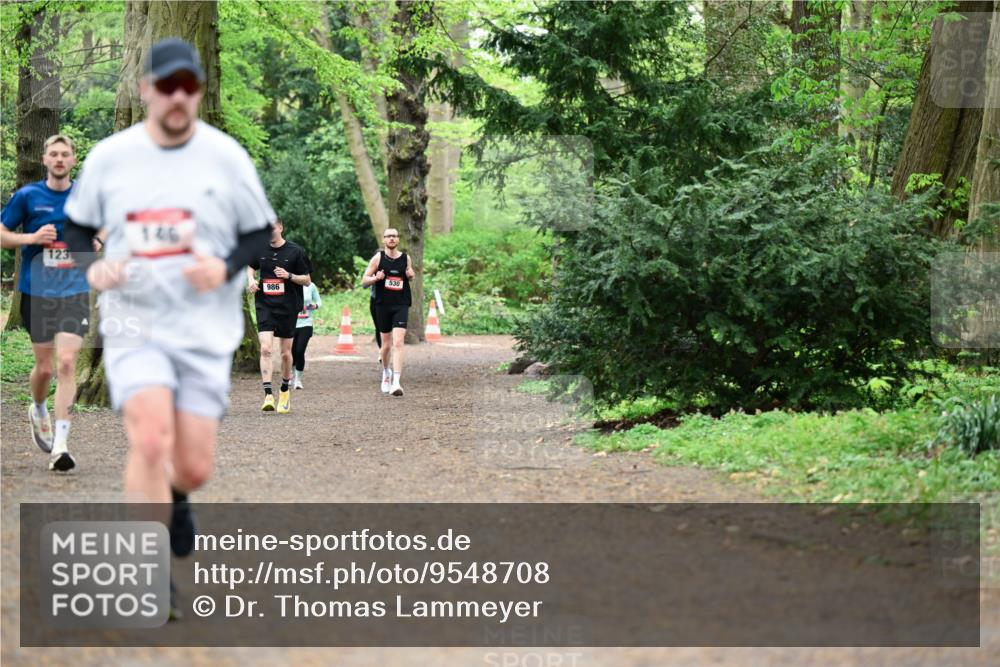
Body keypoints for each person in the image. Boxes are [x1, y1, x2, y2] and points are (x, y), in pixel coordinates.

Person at [62, 38, 274, 618]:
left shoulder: (225, 157)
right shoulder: (112, 157)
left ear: (198, 91)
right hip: (135, 320)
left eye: (188, 86)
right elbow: (76, 227)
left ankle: (178, 495)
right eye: (166, 85)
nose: (177, 96)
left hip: (204, 328)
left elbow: (259, 231)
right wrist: (94, 267)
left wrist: (224, 267)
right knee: (149, 439)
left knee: (193, 466)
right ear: (145, 90)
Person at [1, 134, 89, 472]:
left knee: (66, 363)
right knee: (45, 368)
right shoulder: (28, 196)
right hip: (37, 291)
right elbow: (2, 233)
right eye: (54, 154)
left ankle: (61, 446)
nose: (60, 159)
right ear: (44, 160)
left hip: (74, 290)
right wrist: (32, 238)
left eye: (65, 154)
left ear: (73, 160)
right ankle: (38, 408)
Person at [246, 218, 312, 412]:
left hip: (288, 307)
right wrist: (251, 279)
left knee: (285, 353)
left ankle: (284, 390)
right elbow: (251, 266)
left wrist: (289, 275)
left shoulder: (296, 251)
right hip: (265, 305)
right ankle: (268, 395)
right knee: (265, 348)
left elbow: (307, 280)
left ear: (281, 228)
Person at [361, 227, 414, 396]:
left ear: (398, 239)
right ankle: (386, 372)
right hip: (383, 304)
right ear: (384, 240)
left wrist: (411, 275)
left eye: (394, 236)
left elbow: (409, 275)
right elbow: (364, 281)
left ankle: (396, 382)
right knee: (386, 346)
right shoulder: (378, 258)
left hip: (401, 304)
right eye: (388, 236)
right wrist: (375, 278)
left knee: (398, 343)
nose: (391, 239)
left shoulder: (406, 258)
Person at [292, 280, 321, 389]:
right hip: (290, 324)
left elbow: (319, 302)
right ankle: (291, 375)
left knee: (300, 351)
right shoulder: (289, 284)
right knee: (291, 352)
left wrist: (315, 306)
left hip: (306, 324)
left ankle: (298, 379)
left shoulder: (311, 285)